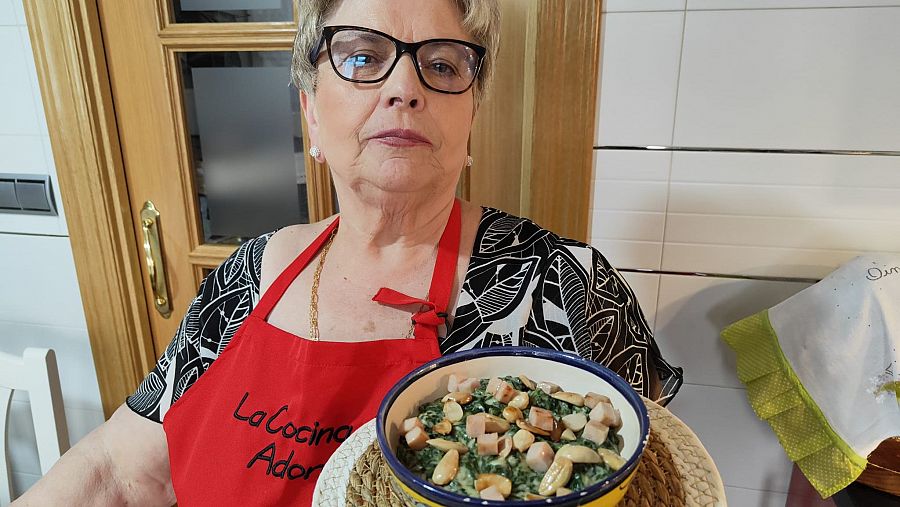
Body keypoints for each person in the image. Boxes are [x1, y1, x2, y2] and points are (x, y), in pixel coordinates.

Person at [14, 0, 682, 505]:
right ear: (311, 112)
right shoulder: (248, 275)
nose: (404, 87)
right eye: (362, 58)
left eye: (442, 64)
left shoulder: (567, 287)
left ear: (471, 116)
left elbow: (657, 486)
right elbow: (119, 469)